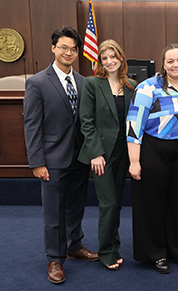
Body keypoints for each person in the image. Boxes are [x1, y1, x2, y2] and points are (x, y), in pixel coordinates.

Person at [23, 26, 98, 284]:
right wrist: (37, 162)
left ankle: (74, 245)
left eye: (74, 49)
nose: (69, 52)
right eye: (63, 47)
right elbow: (31, 125)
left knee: (76, 206)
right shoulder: (37, 82)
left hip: (79, 158)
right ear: (53, 48)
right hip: (52, 160)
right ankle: (54, 259)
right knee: (54, 212)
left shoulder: (83, 82)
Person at [126, 43, 178, 274]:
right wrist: (134, 161)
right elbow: (133, 125)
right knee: (153, 203)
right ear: (163, 64)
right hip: (153, 150)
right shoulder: (148, 87)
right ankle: (156, 253)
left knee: (176, 203)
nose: (175, 65)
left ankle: (176, 249)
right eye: (170, 61)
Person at [78, 39, 137, 271]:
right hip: (101, 155)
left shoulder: (132, 85)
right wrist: (95, 153)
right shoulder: (92, 84)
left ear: (121, 58)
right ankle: (105, 251)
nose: (110, 61)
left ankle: (114, 246)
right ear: (100, 61)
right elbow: (86, 122)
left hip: (125, 152)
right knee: (108, 204)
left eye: (114, 57)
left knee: (117, 204)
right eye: (105, 58)